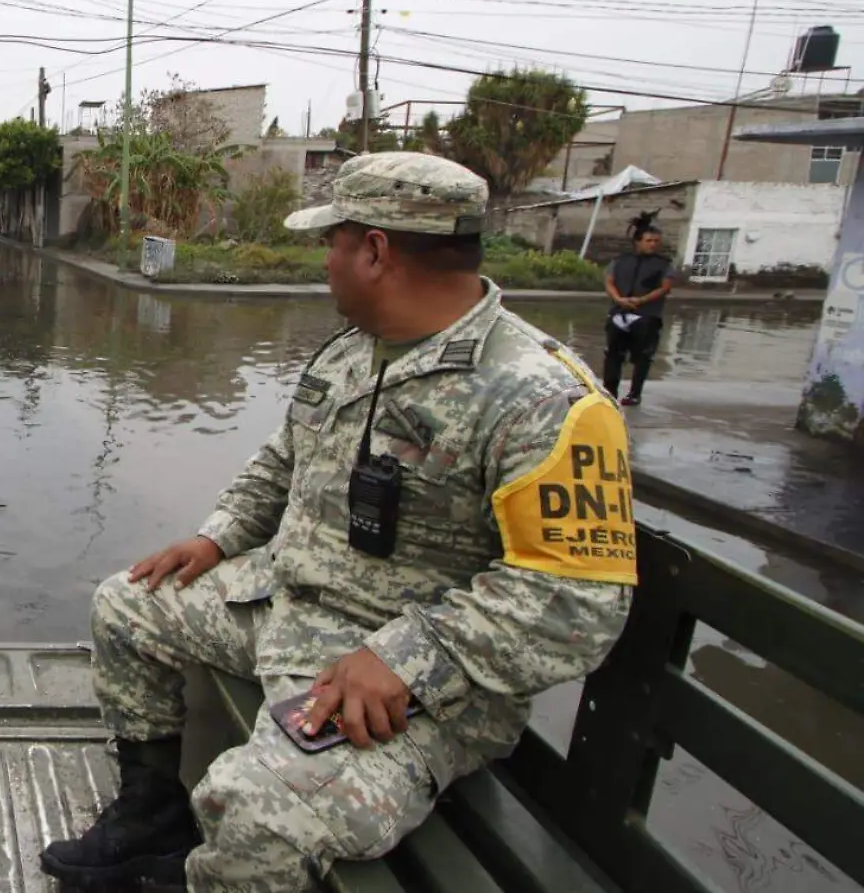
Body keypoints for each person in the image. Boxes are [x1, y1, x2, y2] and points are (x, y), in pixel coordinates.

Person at [39, 152, 637, 893]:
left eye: (332, 240)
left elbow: (579, 600)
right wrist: (217, 536)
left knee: (256, 808)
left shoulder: (545, 398)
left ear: (376, 250)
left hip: (410, 685)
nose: (323, 259)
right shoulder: (352, 353)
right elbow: (281, 462)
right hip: (288, 608)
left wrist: (408, 659)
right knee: (126, 604)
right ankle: (152, 810)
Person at [602, 220, 675, 406]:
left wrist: (641, 301)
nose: (653, 244)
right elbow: (609, 281)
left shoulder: (663, 264)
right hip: (619, 313)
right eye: (649, 240)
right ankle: (609, 392)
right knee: (613, 355)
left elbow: (664, 288)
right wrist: (619, 299)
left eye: (656, 241)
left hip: (646, 316)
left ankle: (635, 394)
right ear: (638, 241)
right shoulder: (620, 261)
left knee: (643, 357)